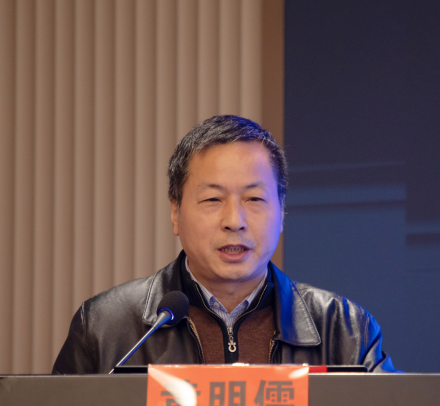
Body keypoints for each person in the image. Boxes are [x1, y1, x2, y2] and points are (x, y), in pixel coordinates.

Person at [52, 115, 395, 374]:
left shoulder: (346, 331)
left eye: (254, 199)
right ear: (175, 211)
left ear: (282, 211)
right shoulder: (104, 327)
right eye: (213, 199)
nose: (235, 220)